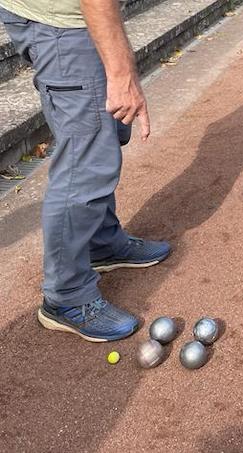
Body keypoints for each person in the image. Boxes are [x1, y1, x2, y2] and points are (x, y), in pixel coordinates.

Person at [0, 0, 169, 341]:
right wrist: (122, 73)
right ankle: (66, 296)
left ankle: (101, 243)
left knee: (103, 135)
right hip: (63, 24)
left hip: (62, 17)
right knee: (87, 160)